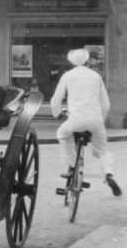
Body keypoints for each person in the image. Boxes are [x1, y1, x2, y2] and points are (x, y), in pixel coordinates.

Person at [50, 48, 121, 196]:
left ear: (71, 61)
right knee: (102, 150)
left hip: (76, 120)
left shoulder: (68, 76)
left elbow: (56, 99)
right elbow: (106, 103)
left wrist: (56, 113)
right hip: (96, 120)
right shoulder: (96, 76)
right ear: (87, 60)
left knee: (62, 135)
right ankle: (108, 174)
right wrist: (100, 118)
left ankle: (71, 166)